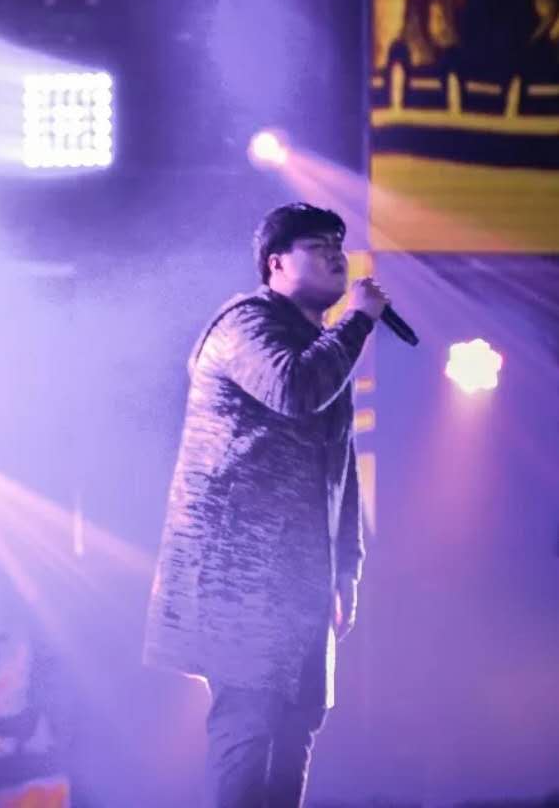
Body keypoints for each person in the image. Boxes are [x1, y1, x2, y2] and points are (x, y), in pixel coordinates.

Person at [145, 203, 386, 807]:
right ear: (275, 264)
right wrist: (357, 320)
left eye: (338, 244)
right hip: (239, 570)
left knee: (297, 724)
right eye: (317, 245)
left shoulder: (322, 344)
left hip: (300, 574)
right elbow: (292, 389)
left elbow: (340, 468)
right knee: (248, 722)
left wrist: (346, 569)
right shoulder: (244, 324)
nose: (336, 255)